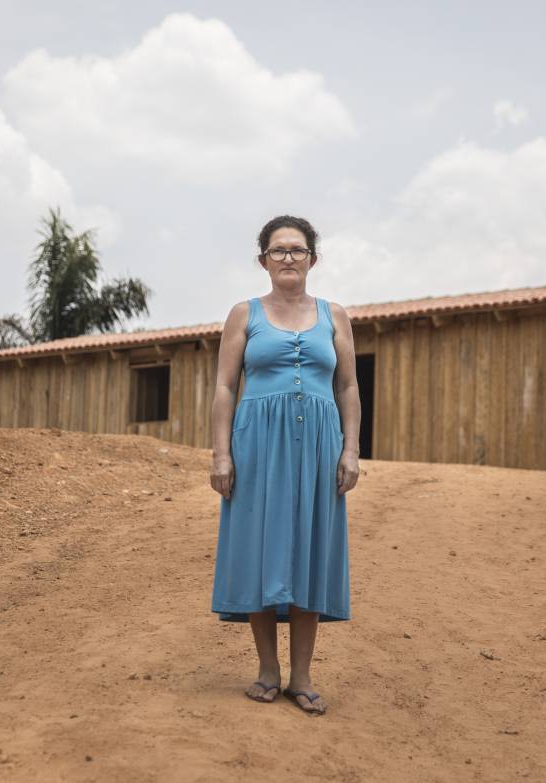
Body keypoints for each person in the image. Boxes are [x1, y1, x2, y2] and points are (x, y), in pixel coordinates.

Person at [209, 215, 360, 716]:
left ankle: (301, 676)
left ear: (313, 259)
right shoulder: (243, 314)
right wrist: (222, 452)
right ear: (263, 262)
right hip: (257, 446)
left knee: (310, 550)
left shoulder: (334, 315)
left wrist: (351, 449)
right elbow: (226, 386)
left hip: (318, 446)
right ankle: (267, 670)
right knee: (258, 547)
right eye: (279, 251)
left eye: (297, 250)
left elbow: (347, 388)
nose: (289, 258)